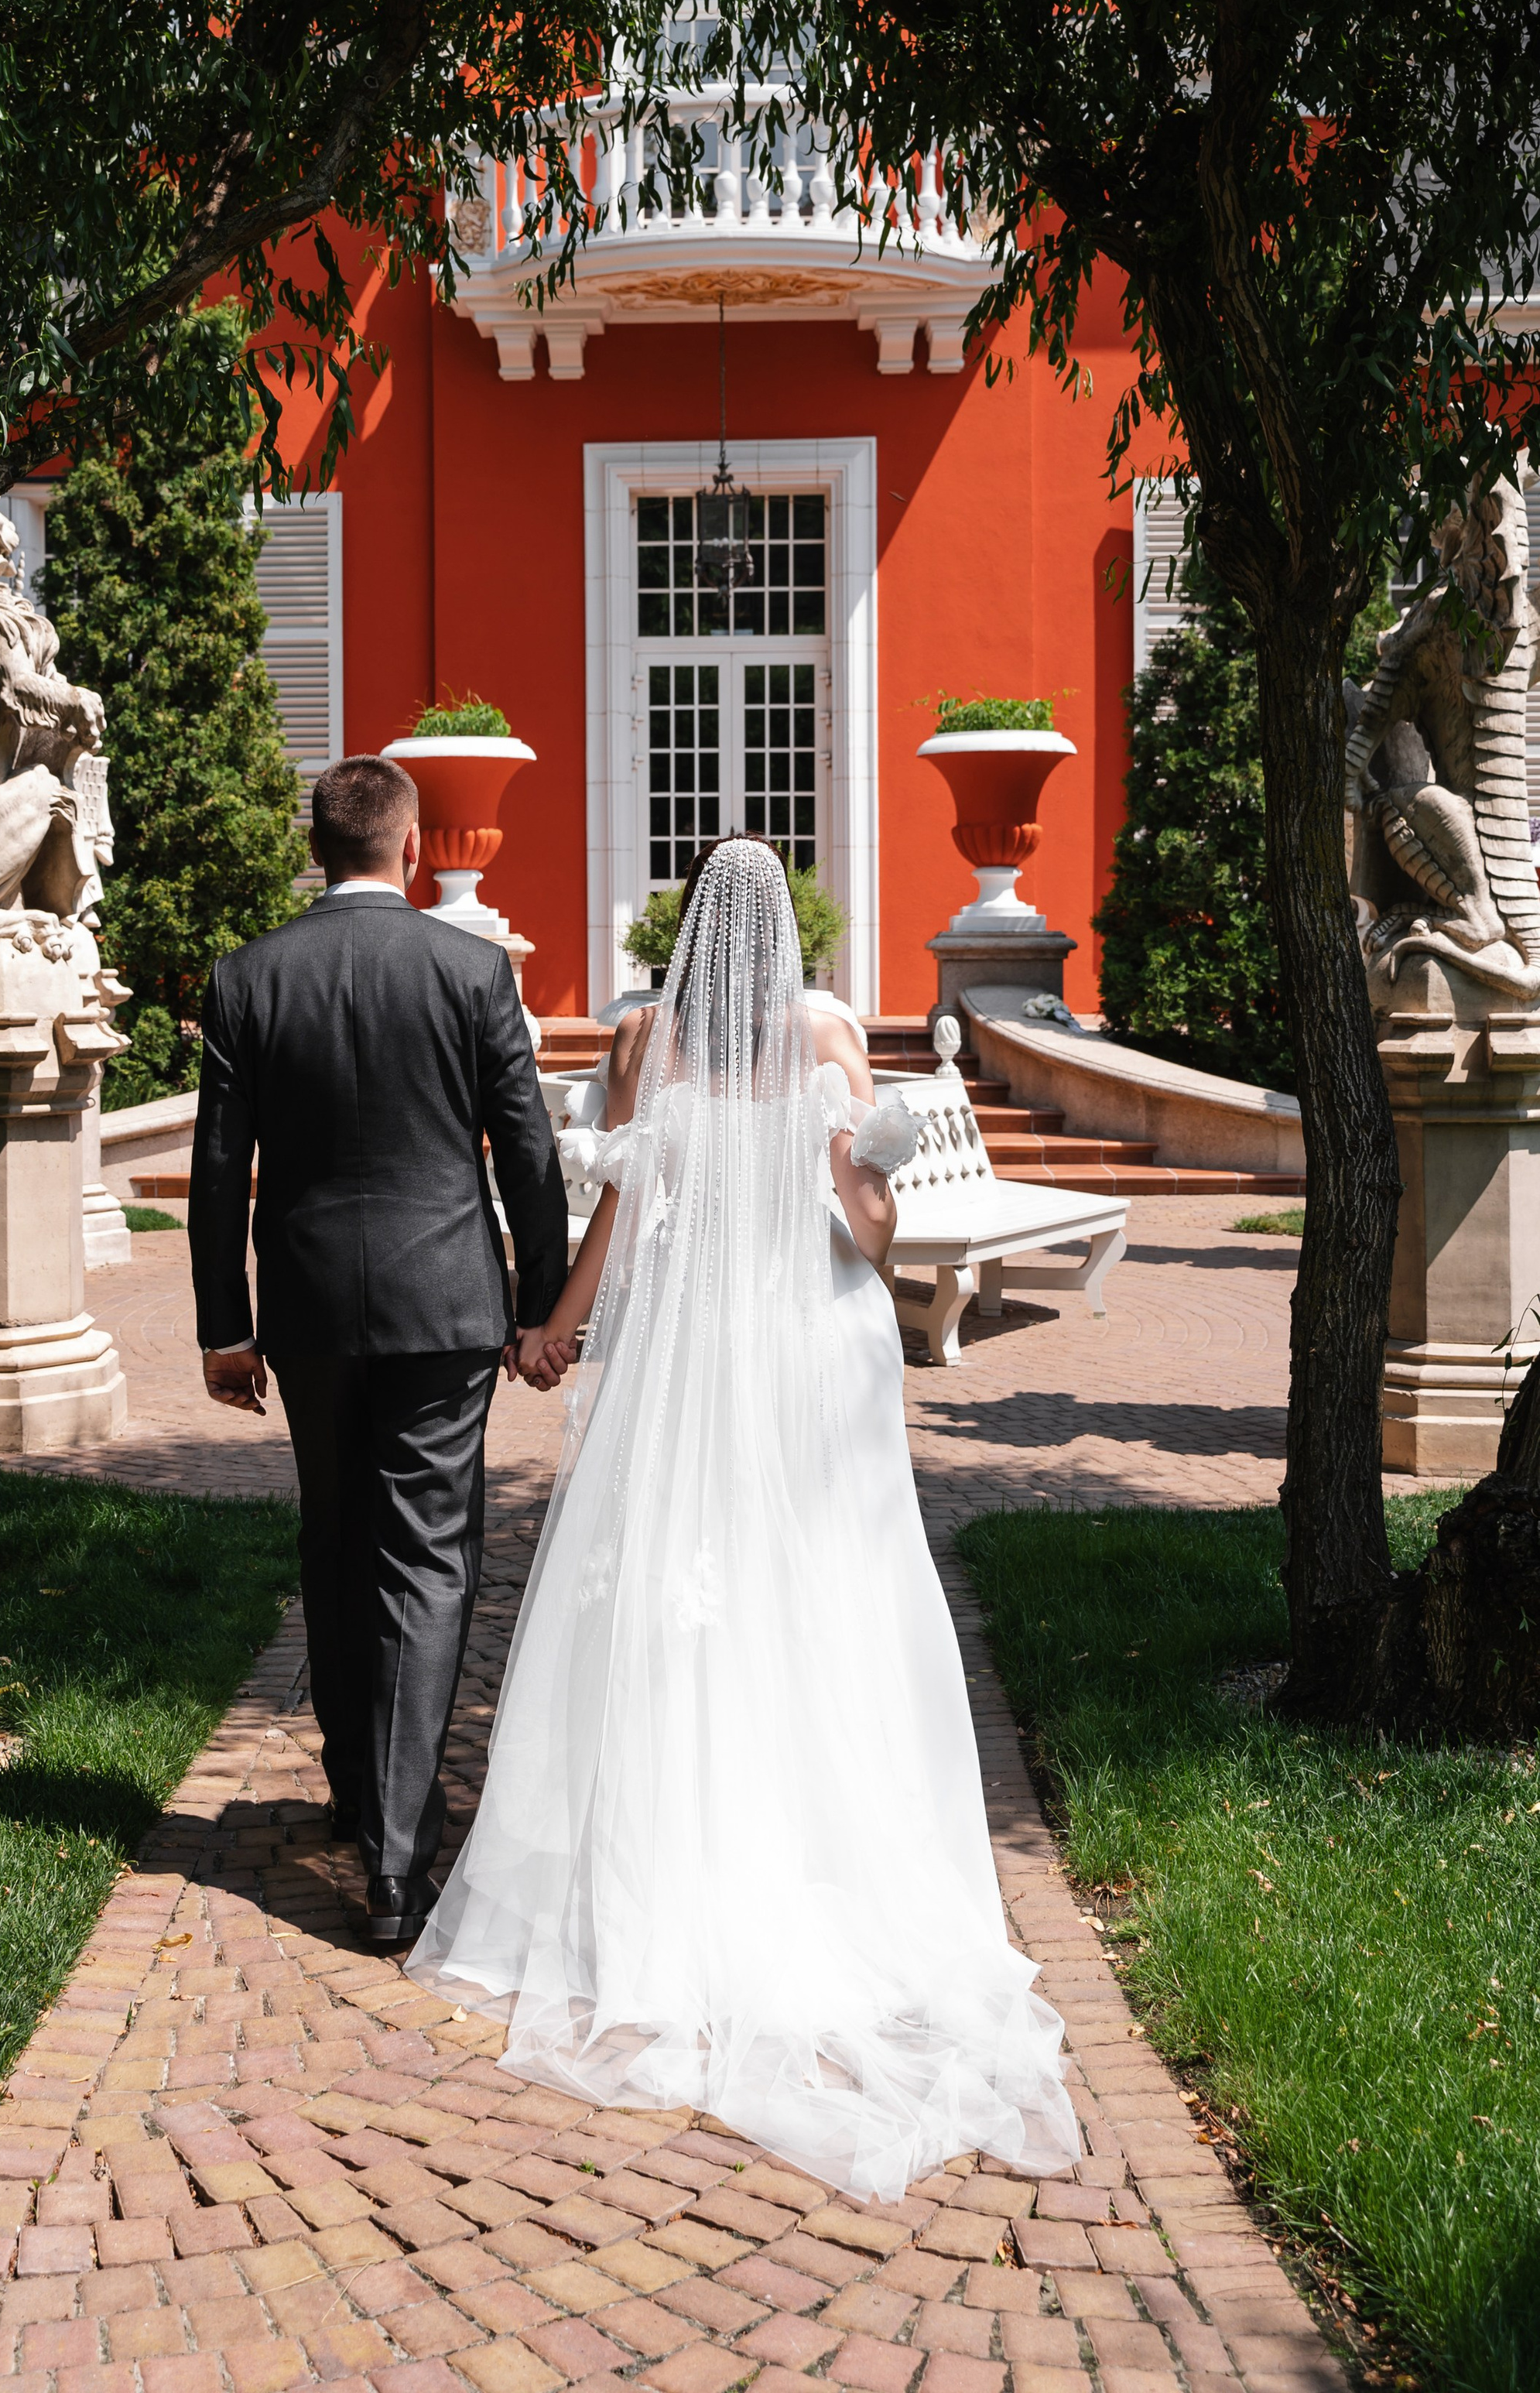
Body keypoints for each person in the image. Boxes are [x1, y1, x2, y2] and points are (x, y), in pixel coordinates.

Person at [409, 832, 1078, 2197]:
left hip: (688, 1346)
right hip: (807, 1343)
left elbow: (618, 1219)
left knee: (671, 1577)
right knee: (821, 1579)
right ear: (784, 944)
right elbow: (872, 1234)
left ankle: (666, 1859)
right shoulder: (828, 1045)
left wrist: (552, 1331)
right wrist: (862, 1173)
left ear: (692, 942)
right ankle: (818, 1841)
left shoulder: (647, 1049)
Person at [189, 753, 567, 1949]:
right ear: (410, 848)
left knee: (336, 1535)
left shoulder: (249, 976)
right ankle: (397, 1862)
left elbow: (218, 1168)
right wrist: (541, 1303)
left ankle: (360, 1793)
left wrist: (224, 1324)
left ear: (317, 849)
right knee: (427, 1557)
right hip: (445, 1305)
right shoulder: (473, 971)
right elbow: (528, 1149)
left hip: (307, 1309)